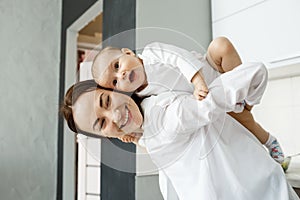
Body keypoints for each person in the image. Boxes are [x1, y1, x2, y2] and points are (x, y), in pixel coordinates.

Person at [60, 62, 299, 200]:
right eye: (102, 123)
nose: (113, 116)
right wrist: (139, 138)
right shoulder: (151, 129)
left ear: (114, 89)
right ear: (105, 137)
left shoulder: (170, 114)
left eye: (105, 102)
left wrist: (245, 108)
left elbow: (255, 72)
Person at [91, 37, 284, 163]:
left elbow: (178, 58)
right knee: (244, 121)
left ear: (128, 52)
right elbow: (155, 135)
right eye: (115, 81)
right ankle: (270, 142)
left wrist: (197, 80)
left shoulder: (151, 53)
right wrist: (134, 138)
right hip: (213, 96)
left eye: (117, 65)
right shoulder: (142, 98)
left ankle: (247, 99)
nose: (122, 74)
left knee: (221, 45)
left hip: (210, 70)